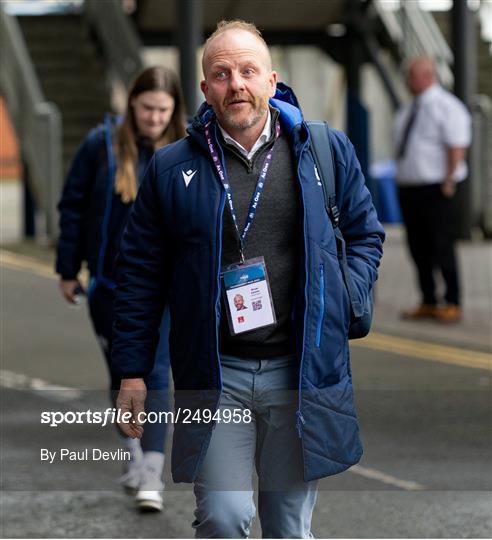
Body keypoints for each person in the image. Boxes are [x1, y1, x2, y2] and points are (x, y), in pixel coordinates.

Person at [112, 20, 384, 538]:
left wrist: (347, 292)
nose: (235, 83)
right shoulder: (172, 168)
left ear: (270, 79)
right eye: (221, 73)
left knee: (287, 526)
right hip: (217, 374)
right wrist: (132, 373)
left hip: (298, 371)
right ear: (205, 88)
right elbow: (140, 275)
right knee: (223, 515)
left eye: (247, 70)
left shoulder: (323, 151)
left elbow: (365, 233)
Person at [56, 66, 186, 512]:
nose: (154, 118)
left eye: (163, 110)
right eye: (147, 108)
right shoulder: (101, 145)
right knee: (120, 374)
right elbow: (73, 206)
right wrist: (67, 268)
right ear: (132, 103)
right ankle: (133, 459)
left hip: (166, 288)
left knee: (155, 371)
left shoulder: (186, 150)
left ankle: (152, 471)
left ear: (175, 111)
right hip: (110, 286)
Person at [394, 57, 472, 323]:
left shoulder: (446, 107)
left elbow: (456, 146)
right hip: (410, 189)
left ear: (428, 75)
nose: (407, 80)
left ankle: (452, 300)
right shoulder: (408, 109)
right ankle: (428, 299)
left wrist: (449, 181)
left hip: (437, 188)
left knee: (441, 245)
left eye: (411, 75)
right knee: (418, 247)